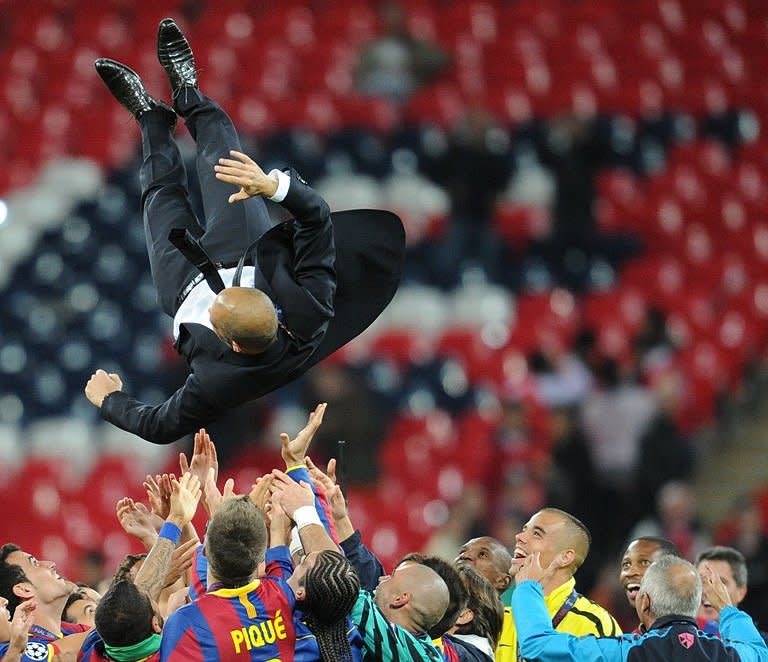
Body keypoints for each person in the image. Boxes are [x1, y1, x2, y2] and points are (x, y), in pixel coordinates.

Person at [84, 18, 405, 444]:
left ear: (231, 344)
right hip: (244, 250)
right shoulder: (309, 309)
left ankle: (150, 118)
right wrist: (274, 187)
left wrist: (110, 400)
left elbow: (159, 426)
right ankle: (188, 93)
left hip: (182, 288)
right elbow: (316, 219)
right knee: (225, 158)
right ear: (272, 310)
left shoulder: (221, 380)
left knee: (161, 196)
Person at [513, 553, 768, 661]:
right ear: (694, 605)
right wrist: (727, 609)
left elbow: (538, 646)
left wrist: (528, 588)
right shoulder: (727, 655)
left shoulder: (625, 652)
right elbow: (758, 651)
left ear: (645, 602)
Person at [497, 508, 621, 662]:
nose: (519, 537)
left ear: (565, 557)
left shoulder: (595, 624)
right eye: (524, 530)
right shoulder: (500, 619)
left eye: (537, 533)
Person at [696, 546, 768, 642]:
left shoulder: (761, 648)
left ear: (741, 593)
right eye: (702, 581)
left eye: (721, 582)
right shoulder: (673, 639)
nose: (707, 590)